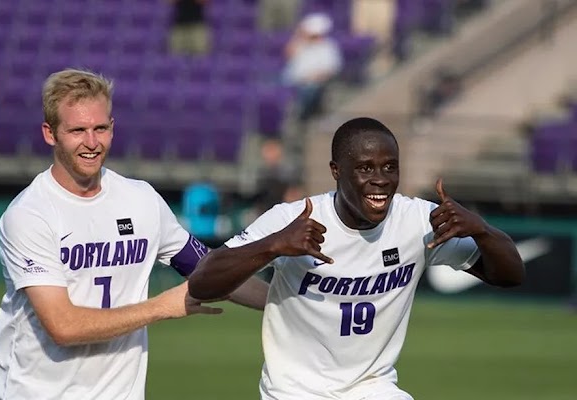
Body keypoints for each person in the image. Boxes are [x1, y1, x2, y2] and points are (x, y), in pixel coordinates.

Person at [189, 117, 525, 399]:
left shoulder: (417, 220)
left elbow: (510, 275)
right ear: (336, 171)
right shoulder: (290, 219)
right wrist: (273, 245)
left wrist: (481, 230)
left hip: (373, 388)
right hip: (294, 392)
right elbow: (203, 282)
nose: (380, 179)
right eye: (365, 168)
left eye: (390, 167)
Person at [0, 69, 268, 400]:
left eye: (101, 128)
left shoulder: (141, 199)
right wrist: (162, 306)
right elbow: (63, 326)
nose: (92, 143)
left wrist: (287, 302)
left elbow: (209, 269)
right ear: (50, 134)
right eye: (78, 130)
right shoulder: (30, 214)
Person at [282, 13, 343, 121]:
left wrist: (311, 78)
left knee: (308, 92)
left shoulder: (328, 47)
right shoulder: (301, 44)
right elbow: (288, 54)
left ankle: (298, 119)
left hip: (311, 84)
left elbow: (330, 70)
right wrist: (298, 36)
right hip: (291, 81)